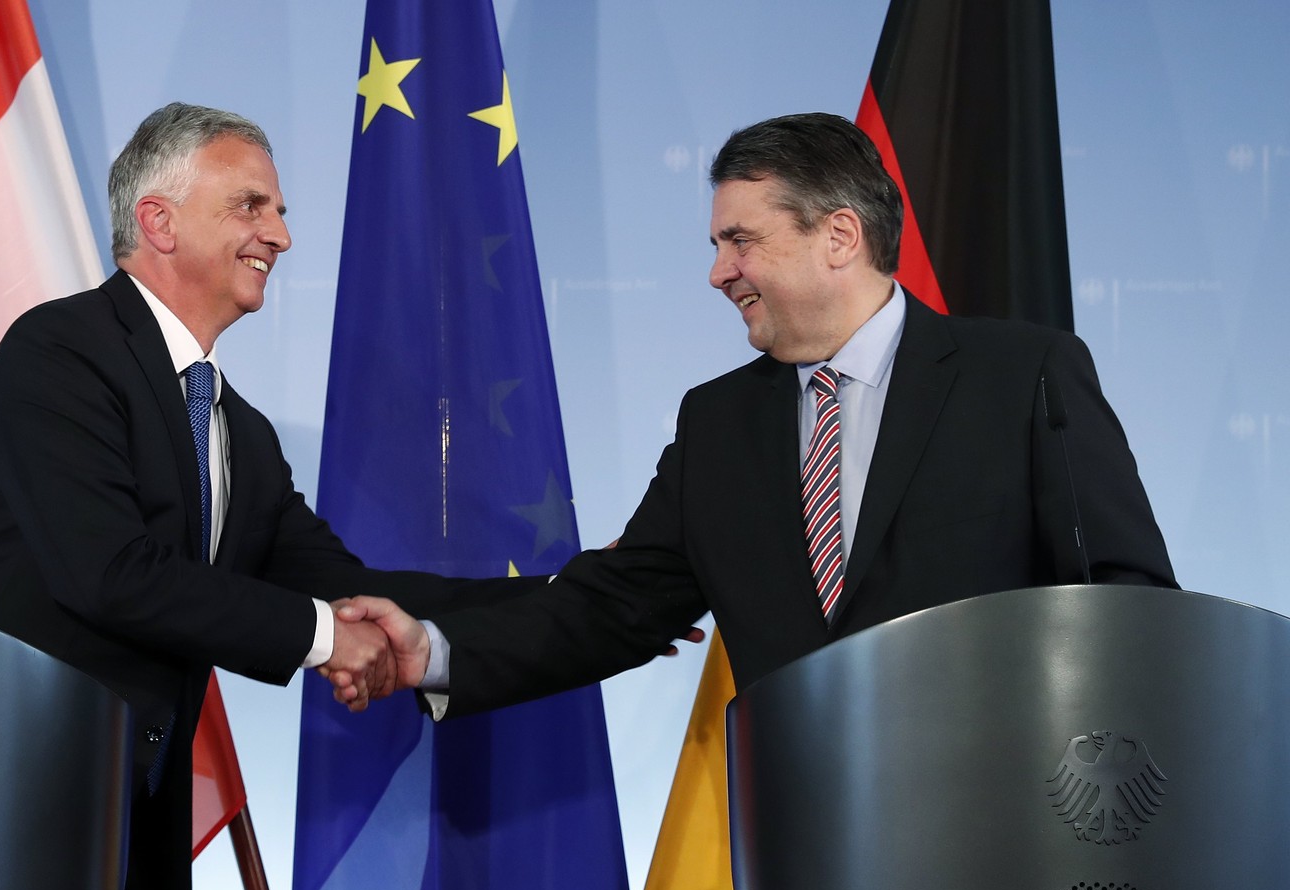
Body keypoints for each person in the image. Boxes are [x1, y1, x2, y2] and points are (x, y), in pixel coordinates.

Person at [0, 102, 541, 890]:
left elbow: (348, 584)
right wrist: (328, 640)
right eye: (252, 206)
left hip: (123, 855)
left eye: (279, 211)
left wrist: (557, 596)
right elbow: (113, 575)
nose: (280, 234)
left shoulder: (238, 432)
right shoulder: (60, 351)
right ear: (158, 221)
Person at [333, 112, 1178, 717]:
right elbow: (612, 609)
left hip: (1012, 848)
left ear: (839, 237)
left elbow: (1128, 602)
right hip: (806, 864)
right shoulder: (717, 425)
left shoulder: (1022, 376)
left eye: (740, 241)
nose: (719, 273)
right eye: (715, 246)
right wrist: (434, 651)